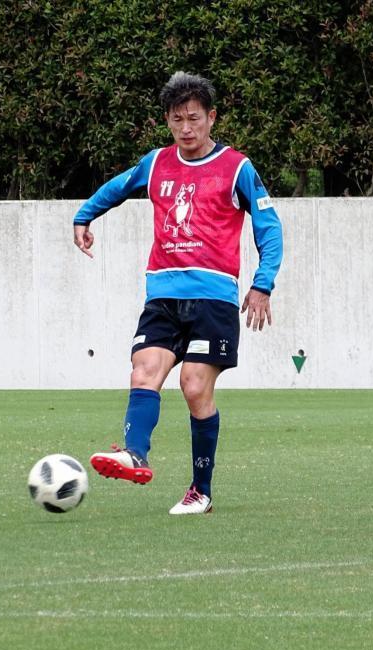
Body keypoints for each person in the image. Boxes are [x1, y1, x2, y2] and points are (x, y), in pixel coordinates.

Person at [73, 71, 283, 515]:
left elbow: (269, 226)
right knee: (144, 369)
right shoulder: (155, 164)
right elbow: (118, 187)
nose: (186, 129)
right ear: (167, 121)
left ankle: (200, 490)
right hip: (162, 294)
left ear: (211, 118)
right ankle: (134, 453)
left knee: (193, 387)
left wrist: (262, 283)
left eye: (193, 118)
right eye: (176, 120)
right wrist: (84, 216)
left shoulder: (237, 167)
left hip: (213, 298)